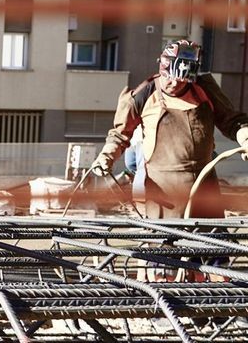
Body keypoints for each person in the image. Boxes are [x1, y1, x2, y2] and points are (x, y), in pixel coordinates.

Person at [91, 39, 248, 218]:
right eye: (169, 77)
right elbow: (120, 134)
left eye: (180, 81)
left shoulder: (205, 90)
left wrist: (245, 139)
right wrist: (107, 156)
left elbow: (234, 122)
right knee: (165, 237)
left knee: (212, 235)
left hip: (204, 188)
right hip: (162, 194)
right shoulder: (143, 95)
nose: (173, 84)